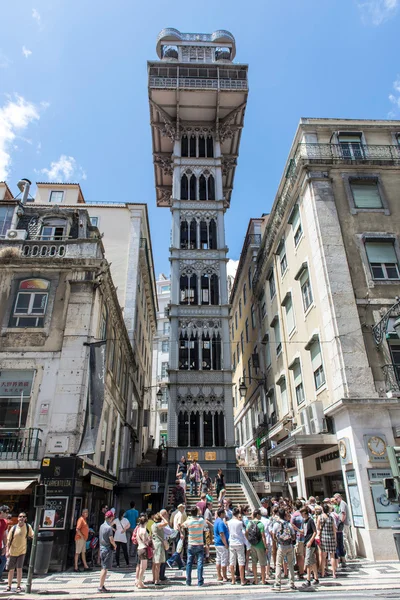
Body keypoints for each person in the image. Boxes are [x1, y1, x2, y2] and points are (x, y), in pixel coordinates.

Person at [5, 512, 33, 593]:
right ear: (17, 518)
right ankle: (9, 585)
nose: (21, 518)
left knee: (19, 569)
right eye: (20, 516)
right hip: (13, 551)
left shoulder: (28, 527)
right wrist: (7, 551)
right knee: (11, 570)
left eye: (23, 517)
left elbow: (32, 535)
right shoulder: (14, 528)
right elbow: (8, 540)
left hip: (22, 551)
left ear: (25, 519)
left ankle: (18, 586)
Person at [272, 508, 296, 591]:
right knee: (290, 564)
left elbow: (274, 535)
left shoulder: (276, 524)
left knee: (278, 564)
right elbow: (293, 536)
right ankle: (291, 582)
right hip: (289, 546)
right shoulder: (289, 525)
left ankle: (278, 583)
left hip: (281, 546)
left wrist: (278, 541)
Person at [183, 506, 205, 587]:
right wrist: (199, 513)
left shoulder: (189, 521)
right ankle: (200, 581)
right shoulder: (201, 521)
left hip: (191, 544)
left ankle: (188, 581)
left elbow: (181, 525)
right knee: (200, 563)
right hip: (199, 543)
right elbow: (205, 525)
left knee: (189, 563)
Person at [246, 508, 268, 585]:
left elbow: (246, 532)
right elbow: (263, 536)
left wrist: (249, 540)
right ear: (257, 515)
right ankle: (263, 579)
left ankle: (255, 579)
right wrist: (266, 547)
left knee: (254, 563)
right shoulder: (260, 524)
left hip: (253, 545)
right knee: (262, 563)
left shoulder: (249, 523)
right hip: (260, 545)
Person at [227, 507, 249, 586]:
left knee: (232, 561)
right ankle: (242, 580)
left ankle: (233, 579)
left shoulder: (229, 522)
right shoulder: (239, 522)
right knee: (241, 561)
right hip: (239, 542)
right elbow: (243, 531)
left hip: (232, 542)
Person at [317, 503, 337, 578]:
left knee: (323, 557)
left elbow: (318, 528)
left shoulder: (320, 517)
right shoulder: (331, 518)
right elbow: (334, 529)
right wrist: (335, 539)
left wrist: (319, 535)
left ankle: (322, 573)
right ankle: (334, 573)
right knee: (332, 556)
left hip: (324, 538)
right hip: (331, 537)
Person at [98, 510, 117, 593]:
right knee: (105, 569)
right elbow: (111, 539)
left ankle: (102, 585)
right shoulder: (109, 528)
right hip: (107, 549)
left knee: (103, 567)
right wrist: (115, 545)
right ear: (111, 518)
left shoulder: (102, 526)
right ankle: (100, 586)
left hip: (102, 548)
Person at [300, 506, 319, 587]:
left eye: (302, 513)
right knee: (312, 561)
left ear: (305, 513)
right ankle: (316, 578)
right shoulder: (304, 522)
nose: (301, 515)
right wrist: (296, 529)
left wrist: (310, 541)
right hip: (306, 542)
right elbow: (304, 532)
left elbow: (315, 532)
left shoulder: (310, 521)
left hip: (310, 543)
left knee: (307, 561)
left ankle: (308, 579)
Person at [334, 493, 355, 561]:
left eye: (336, 499)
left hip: (344, 523)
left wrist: (341, 522)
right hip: (346, 523)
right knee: (348, 538)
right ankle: (352, 553)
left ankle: (348, 554)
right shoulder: (341, 503)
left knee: (345, 538)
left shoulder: (342, 503)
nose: (335, 500)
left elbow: (343, 513)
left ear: (340, 497)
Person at [150, 512, 169, 585]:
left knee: (154, 563)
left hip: (154, 544)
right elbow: (166, 523)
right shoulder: (158, 525)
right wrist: (162, 517)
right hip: (159, 545)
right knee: (158, 563)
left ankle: (154, 578)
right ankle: (157, 580)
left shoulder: (152, 525)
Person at [291, 500, 305, 580]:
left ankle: (301, 572)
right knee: (303, 554)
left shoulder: (294, 515)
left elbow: (291, 524)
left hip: (298, 536)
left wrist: (296, 529)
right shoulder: (304, 514)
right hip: (305, 537)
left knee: (299, 555)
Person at [214, 507, 229, 582]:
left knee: (218, 560)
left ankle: (219, 575)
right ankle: (224, 576)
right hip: (222, 543)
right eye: (224, 513)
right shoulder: (220, 522)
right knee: (223, 560)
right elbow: (221, 533)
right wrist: (225, 543)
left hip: (217, 543)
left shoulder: (216, 521)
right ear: (221, 514)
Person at [74, 508, 91, 572]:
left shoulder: (84, 520)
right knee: (77, 552)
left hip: (83, 539)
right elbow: (77, 529)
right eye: (85, 512)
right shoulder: (80, 520)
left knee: (83, 552)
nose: (86, 513)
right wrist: (82, 536)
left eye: (87, 512)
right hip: (80, 539)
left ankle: (85, 566)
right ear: (82, 513)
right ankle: (76, 567)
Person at [136, 515, 149, 589]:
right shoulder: (143, 530)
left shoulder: (138, 529)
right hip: (143, 548)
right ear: (146, 522)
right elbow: (145, 541)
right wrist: (149, 539)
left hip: (139, 548)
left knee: (141, 566)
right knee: (143, 567)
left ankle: (139, 581)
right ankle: (140, 582)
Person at [0, 505, 9, 584]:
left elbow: (4, 535)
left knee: (3, 560)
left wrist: (5, 546)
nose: (7, 514)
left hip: (0, 546)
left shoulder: (5, 522)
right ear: (1, 512)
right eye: (6, 512)